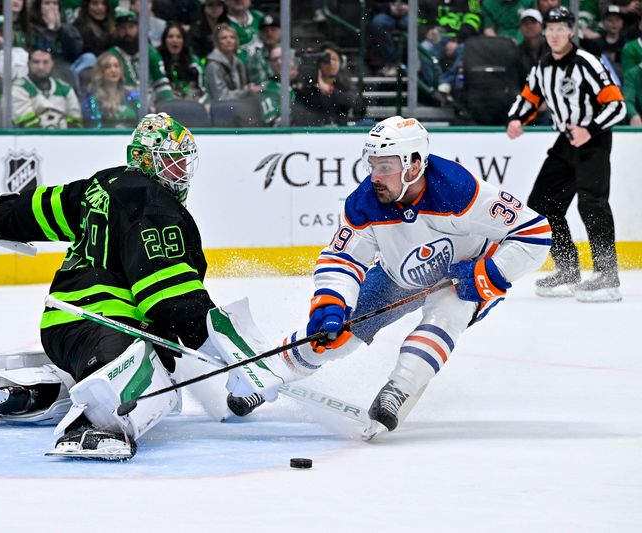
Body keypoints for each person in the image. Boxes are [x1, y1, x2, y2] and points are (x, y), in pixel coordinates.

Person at [221, 115, 552, 438]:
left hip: (461, 275)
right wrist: (332, 302)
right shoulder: (365, 203)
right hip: (399, 276)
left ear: (413, 164)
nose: (375, 176)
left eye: (386, 167)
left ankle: (400, 388)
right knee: (334, 336)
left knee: (447, 314)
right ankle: (267, 374)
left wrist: (489, 272)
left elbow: (535, 232)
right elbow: (343, 256)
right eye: (372, 165)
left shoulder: (459, 189)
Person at [0, 113, 218, 459]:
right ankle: (91, 424)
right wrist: (208, 335)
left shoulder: (102, 185)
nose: (181, 172)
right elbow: (168, 295)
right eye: (173, 163)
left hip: (61, 327)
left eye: (184, 163)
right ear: (146, 160)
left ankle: (47, 389)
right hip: (104, 325)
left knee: (135, 361)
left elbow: (46, 207)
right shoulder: (153, 203)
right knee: (141, 370)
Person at [507, 7, 627, 302]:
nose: (555, 34)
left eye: (561, 28)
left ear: (572, 31)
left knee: (592, 203)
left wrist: (590, 128)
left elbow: (617, 105)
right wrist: (516, 119)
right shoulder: (542, 66)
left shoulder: (587, 63)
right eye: (551, 29)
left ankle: (607, 275)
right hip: (566, 140)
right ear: (545, 33)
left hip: (593, 139)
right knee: (541, 205)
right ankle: (569, 269)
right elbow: (529, 97)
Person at [108, 8, 173, 104]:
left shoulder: (150, 53)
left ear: (138, 28)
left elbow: (162, 84)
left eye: (131, 27)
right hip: (124, 108)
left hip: (153, 107)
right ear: (117, 31)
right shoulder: (111, 56)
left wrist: (166, 106)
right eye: (122, 28)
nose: (127, 32)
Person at [295, 43, 366, 126]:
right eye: (327, 59)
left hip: (340, 133)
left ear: (341, 63)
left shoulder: (346, 85)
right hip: (312, 133)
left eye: (334, 59)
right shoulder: (307, 86)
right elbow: (298, 112)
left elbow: (358, 106)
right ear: (318, 63)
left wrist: (330, 90)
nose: (331, 63)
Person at [12, 47, 82, 128]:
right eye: (36, 62)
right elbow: (27, 125)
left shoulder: (65, 89)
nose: (40, 67)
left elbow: (75, 123)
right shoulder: (18, 88)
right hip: (31, 139)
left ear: (52, 64)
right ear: (28, 64)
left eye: (45, 62)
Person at [81, 50, 138, 128]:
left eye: (116, 66)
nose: (113, 70)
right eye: (108, 67)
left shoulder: (133, 95)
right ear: (101, 72)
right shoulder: (93, 98)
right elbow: (94, 127)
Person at [205, 23, 259, 102]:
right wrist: (246, 92)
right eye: (224, 38)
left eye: (232, 37)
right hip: (219, 109)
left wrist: (247, 88)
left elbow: (238, 89)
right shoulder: (213, 65)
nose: (228, 40)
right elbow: (220, 97)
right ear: (217, 42)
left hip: (237, 106)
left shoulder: (238, 62)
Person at [157, 21, 207, 103]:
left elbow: (203, 90)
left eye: (178, 37)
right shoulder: (158, 62)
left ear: (184, 41)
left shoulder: (194, 63)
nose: (174, 40)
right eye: (170, 36)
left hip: (191, 105)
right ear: (164, 41)